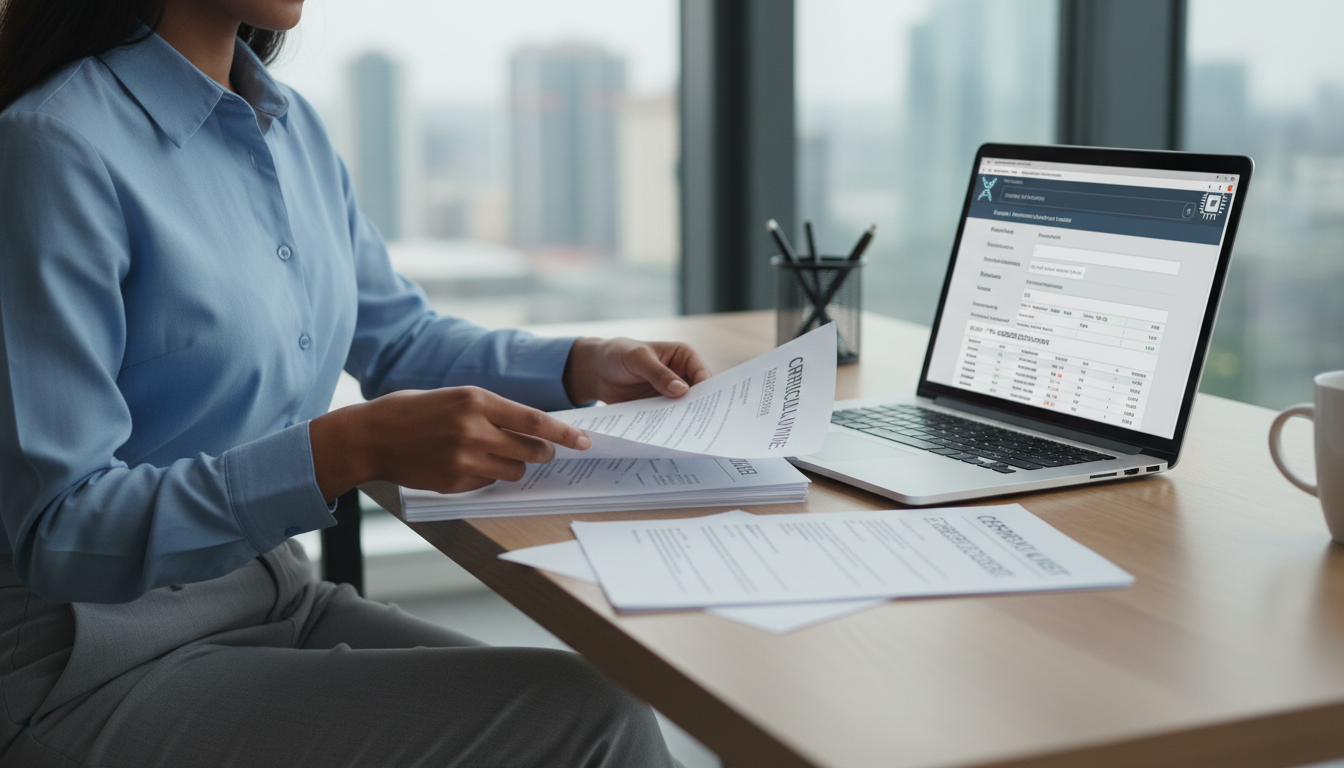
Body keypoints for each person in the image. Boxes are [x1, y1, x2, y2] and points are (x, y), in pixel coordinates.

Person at [0, 0, 708, 765]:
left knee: (608, 710)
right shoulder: (53, 146)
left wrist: (581, 363)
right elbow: (61, 531)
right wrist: (341, 449)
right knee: (587, 724)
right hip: (92, 658)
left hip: (274, 594)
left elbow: (398, 336)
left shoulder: (288, 124)